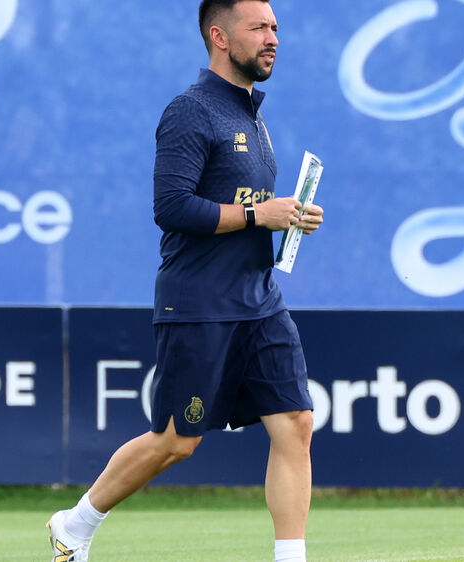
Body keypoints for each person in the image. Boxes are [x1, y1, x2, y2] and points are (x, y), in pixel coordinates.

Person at [47, 1, 322, 560]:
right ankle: (74, 525)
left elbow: (249, 205)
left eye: (275, 28)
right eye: (259, 28)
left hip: (260, 299)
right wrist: (257, 215)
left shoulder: (252, 114)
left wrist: (287, 215)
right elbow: (172, 207)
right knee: (177, 441)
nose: (273, 38)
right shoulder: (190, 110)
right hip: (199, 303)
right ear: (219, 36)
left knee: (295, 422)